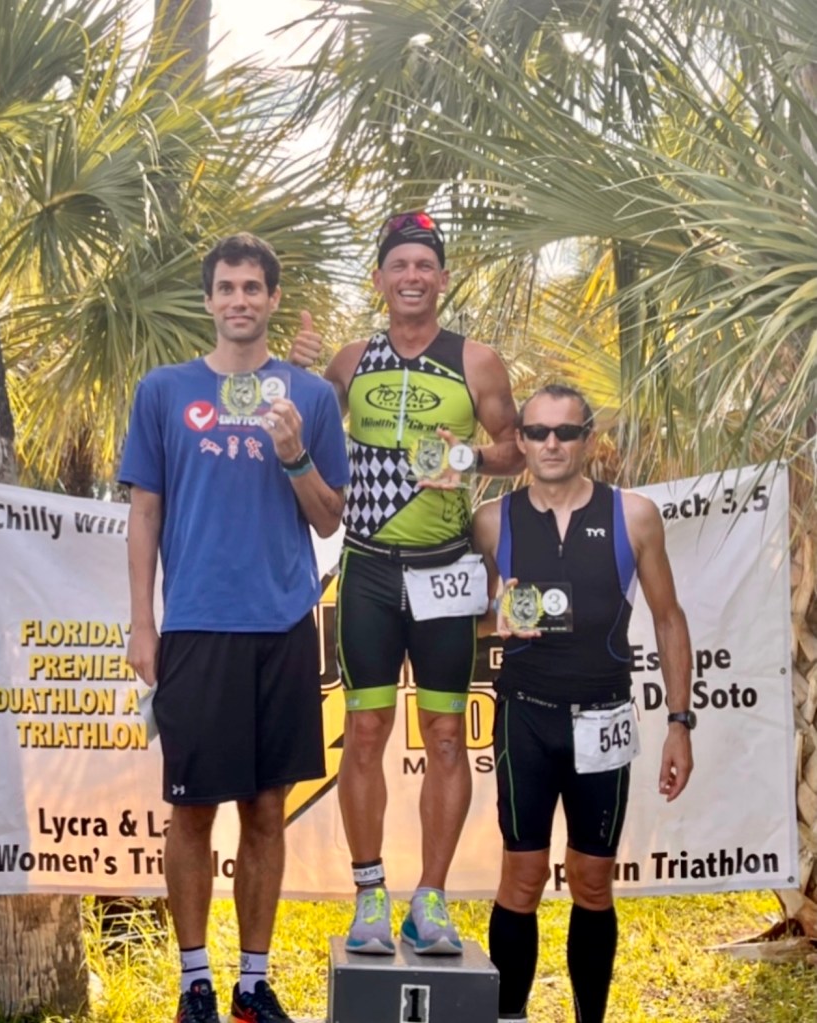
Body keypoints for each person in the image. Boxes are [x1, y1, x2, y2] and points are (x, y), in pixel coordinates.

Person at [120, 234, 349, 1023]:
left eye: (254, 287)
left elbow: (330, 518)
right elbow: (144, 511)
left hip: (282, 623)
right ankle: (195, 983)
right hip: (196, 626)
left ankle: (253, 982)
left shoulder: (309, 397)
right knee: (192, 810)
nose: (240, 299)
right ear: (209, 299)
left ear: (273, 298)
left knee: (266, 809)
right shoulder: (163, 390)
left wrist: (294, 455)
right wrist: (142, 621)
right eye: (227, 287)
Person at [289, 210, 523, 956]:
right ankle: (369, 895)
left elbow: (516, 448)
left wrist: (469, 460)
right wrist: (294, 369)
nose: (412, 276)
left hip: (445, 568)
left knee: (447, 737)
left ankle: (431, 900)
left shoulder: (476, 361)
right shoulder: (351, 359)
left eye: (425, 264)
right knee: (364, 732)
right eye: (400, 265)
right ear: (381, 278)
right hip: (367, 568)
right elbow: (299, 421)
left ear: (442, 278)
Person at [472, 384, 694, 1023]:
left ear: (589, 440)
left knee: (593, 882)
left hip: (603, 716)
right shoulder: (492, 520)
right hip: (525, 715)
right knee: (522, 877)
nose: (551, 444)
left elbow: (669, 620)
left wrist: (679, 724)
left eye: (565, 432)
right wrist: (494, 621)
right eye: (537, 432)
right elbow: (465, 620)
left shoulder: (634, 515)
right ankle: (510, 1016)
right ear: (519, 441)